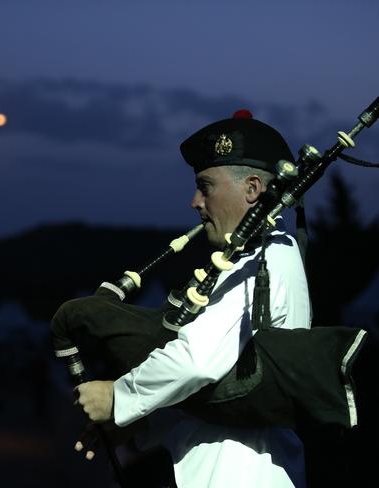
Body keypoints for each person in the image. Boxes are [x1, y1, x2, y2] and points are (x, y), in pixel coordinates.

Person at [75, 111, 312, 488]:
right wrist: (140, 420)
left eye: (206, 186)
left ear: (252, 190)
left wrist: (118, 397)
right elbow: (219, 394)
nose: (195, 202)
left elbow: (196, 361)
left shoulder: (267, 259)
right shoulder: (259, 255)